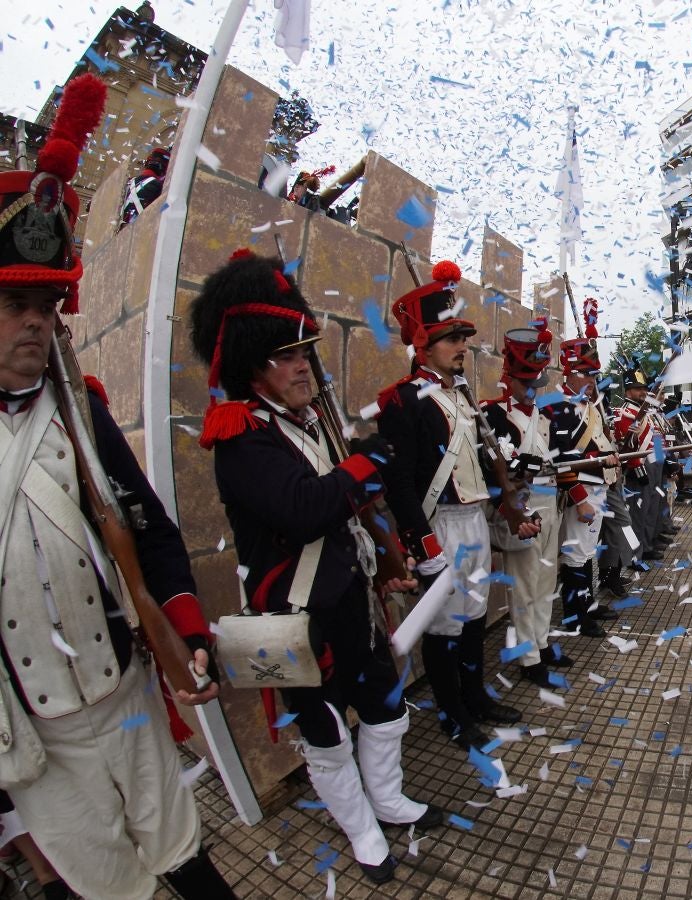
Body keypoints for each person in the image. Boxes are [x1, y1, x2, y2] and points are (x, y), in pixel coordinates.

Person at [0, 74, 235, 899]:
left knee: (182, 850)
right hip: (26, 731)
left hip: (124, 692)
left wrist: (182, 630)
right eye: (11, 303)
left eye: (46, 303)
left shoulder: (82, 413)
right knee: (105, 887)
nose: (36, 321)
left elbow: (153, 531)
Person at [189, 249, 441, 884]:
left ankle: (387, 799)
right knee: (324, 730)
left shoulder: (307, 423)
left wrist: (384, 554)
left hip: (349, 600)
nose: (304, 366)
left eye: (305, 353)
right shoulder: (240, 434)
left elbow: (348, 504)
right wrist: (369, 463)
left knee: (383, 701)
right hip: (295, 614)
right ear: (254, 365)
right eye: (289, 356)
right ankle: (360, 830)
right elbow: (304, 510)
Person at [376, 261, 528, 751]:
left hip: (474, 522)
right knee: (444, 628)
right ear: (423, 344)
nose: (463, 347)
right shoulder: (404, 401)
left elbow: (480, 468)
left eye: (462, 337)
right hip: (439, 526)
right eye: (451, 339)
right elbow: (397, 482)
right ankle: (453, 714)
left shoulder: (463, 398)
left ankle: (474, 697)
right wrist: (423, 544)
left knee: (475, 617)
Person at [481, 323, 567, 686]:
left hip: (551, 500)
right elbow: (493, 466)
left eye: (535, 383)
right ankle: (528, 658)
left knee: (547, 581)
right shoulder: (493, 413)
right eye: (524, 383)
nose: (531, 390)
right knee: (525, 586)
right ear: (509, 378)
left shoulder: (546, 416)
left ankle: (542, 643)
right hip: (523, 504)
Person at [551, 337, 623, 638]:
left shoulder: (590, 406)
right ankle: (575, 617)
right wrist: (579, 498)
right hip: (579, 489)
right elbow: (562, 458)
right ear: (568, 372)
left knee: (586, 552)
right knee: (575, 556)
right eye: (584, 373)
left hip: (597, 485)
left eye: (593, 375)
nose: (591, 381)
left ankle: (587, 605)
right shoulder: (560, 406)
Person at [614, 367, 663, 562]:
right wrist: (636, 465)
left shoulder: (645, 412)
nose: (642, 392)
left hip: (654, 463)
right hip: (640, 465)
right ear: (628, 391)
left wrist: (663, 461)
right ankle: (634, 556)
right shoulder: (626, 413)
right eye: (637, 388)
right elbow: (626, 443)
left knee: (650, 509)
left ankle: (646, 546)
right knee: (637, 512)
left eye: (643, 388)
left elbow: (655, 438)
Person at [119, 146, 170, 228]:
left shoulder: (127, 184)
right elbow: (162, 213)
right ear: (164, 170)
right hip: (139, 232)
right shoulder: (157, 185)